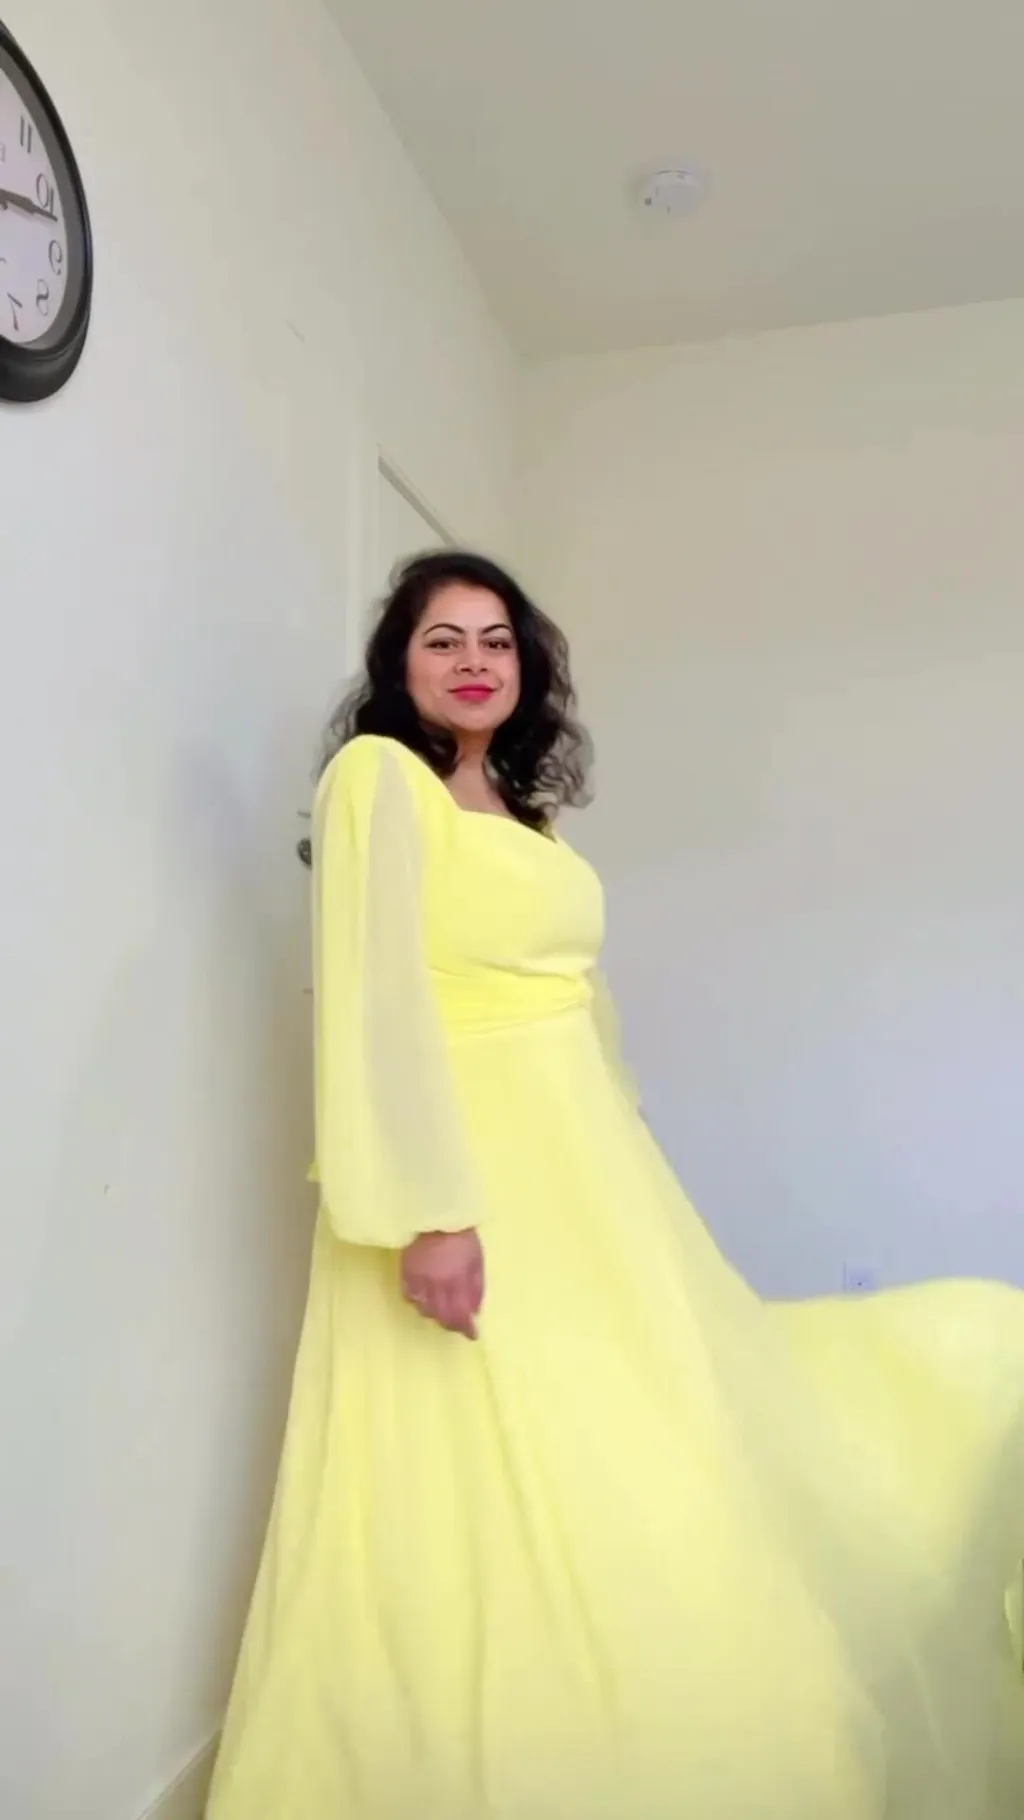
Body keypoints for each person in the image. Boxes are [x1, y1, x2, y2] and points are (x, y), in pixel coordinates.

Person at [207, 551, 1024, 1820]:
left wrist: (621, 1136)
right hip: (465, 1159)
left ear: (524, 666)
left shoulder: (521, 810)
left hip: (577, 1157)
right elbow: (371, 1000)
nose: (472, 660)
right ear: (396, 664)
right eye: (440, 639)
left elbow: (581, 1002)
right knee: (468, 1442)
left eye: (495, 639)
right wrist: (425, 1208)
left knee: (630, 1427)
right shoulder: (376, 778)